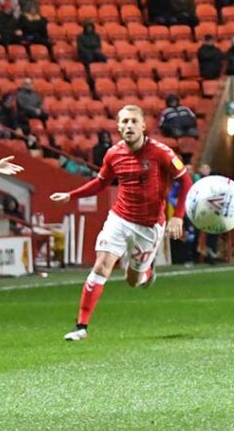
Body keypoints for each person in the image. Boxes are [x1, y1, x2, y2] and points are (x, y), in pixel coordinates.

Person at [50, 105, 193, 342]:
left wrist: (178, 216)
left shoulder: (161, 153)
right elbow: (101, 182)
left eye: (134, 121)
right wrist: (71, 195)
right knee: (101, 267)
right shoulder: (113, 154)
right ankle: (81, 327)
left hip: (149, 226)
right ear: (118, 127)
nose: (129, 126)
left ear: (143, 126)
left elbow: (186, 181)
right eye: (125, 122)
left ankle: (146, 272)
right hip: (120, 218)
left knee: (133, 280)